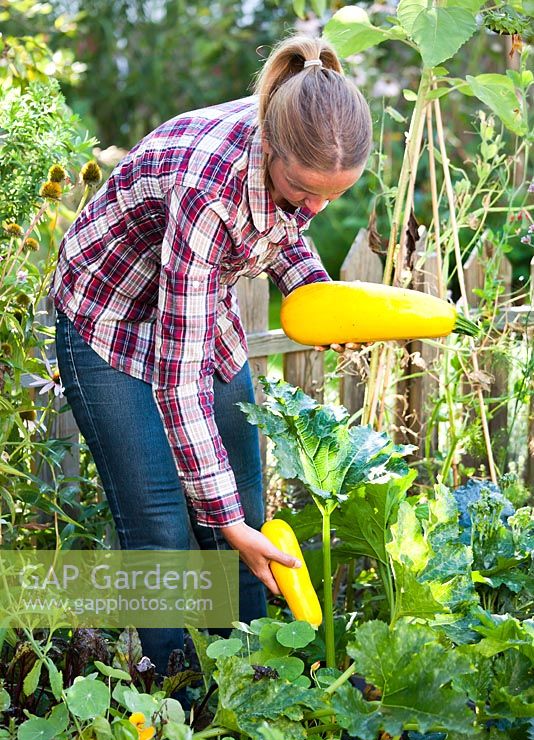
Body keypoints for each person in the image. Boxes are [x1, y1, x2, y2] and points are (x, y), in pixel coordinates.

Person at [50, 34, 372, 675]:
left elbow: (279, 230)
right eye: (305, 192)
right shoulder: (212, 187)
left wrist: (314, 291)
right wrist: (219, 518)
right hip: (109, 320)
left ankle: (249, 679)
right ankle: (179, 698)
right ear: (272, 148)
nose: (315, 210)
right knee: (164, 529)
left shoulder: (300, 139)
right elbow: (178, 379)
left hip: (194, 313)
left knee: (246, 515)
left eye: (332, 196)